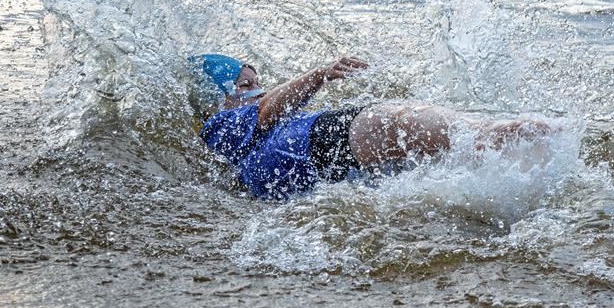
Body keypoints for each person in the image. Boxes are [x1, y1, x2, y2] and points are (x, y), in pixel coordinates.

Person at [194, 54, 553, 200]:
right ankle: (537, 138)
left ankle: (525, 147)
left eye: (258, 82)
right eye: (244, 86)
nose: (258, 91)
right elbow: (267, 110)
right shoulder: (220, 123)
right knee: (473, 139)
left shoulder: (233, 147)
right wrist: (318, 74)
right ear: (216, 97)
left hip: (331, 150)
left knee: (467, 148)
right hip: (331, 140)